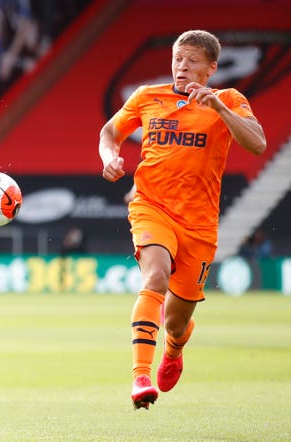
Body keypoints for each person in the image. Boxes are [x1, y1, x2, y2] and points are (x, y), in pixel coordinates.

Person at [98, 30, 266, 410]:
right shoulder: (147, 96)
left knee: (175, 321)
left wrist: (219, 108)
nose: (182, 67)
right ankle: (140, 377)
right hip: (151, 206)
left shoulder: (229, 100)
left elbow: (257, 143)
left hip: (199, 225)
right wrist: (108, 155)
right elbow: (110, 131)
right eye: (178, 59)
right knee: (154, 277)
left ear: (211, 68)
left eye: (192, 61)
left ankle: (174, 346)